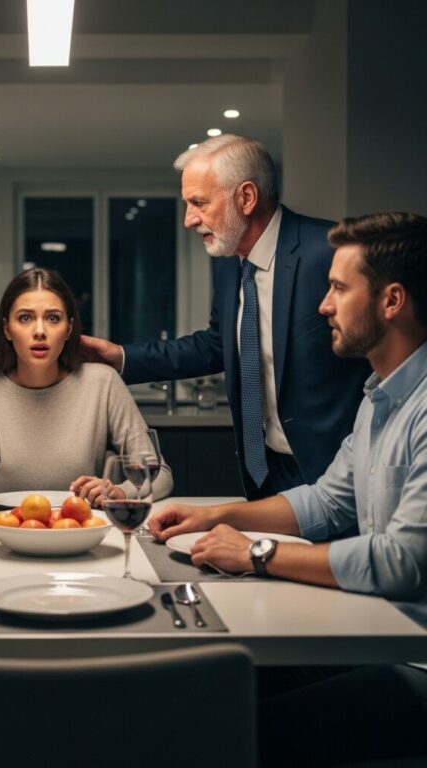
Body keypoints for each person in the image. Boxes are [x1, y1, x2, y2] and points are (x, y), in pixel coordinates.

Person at [149, 212, 427, 766]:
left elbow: (402, 561)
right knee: (206, 692)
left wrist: (256, 553)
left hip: (413, 661)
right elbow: (325, 500)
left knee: (233, 730)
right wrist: (213, 516)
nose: (324, 305)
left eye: (339, 288)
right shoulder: (378, 397)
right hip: (378, 638)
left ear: (391, 301)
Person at [82, 135, 370, 499]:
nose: (189, 220)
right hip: (266, 474)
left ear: (246, 198)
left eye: (199, 202)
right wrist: (121, 357)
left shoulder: (330, 251)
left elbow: (384, 352)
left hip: (338, 474)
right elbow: (217, 345)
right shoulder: (229, 265)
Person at [0, 268, 173, 517]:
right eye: (25, 318)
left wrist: (120, 492)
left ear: (69, 329)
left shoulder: (102, 383)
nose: (40, 331)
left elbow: (159, 475)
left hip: (78, 531)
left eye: (53, 318)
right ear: (7, 329)